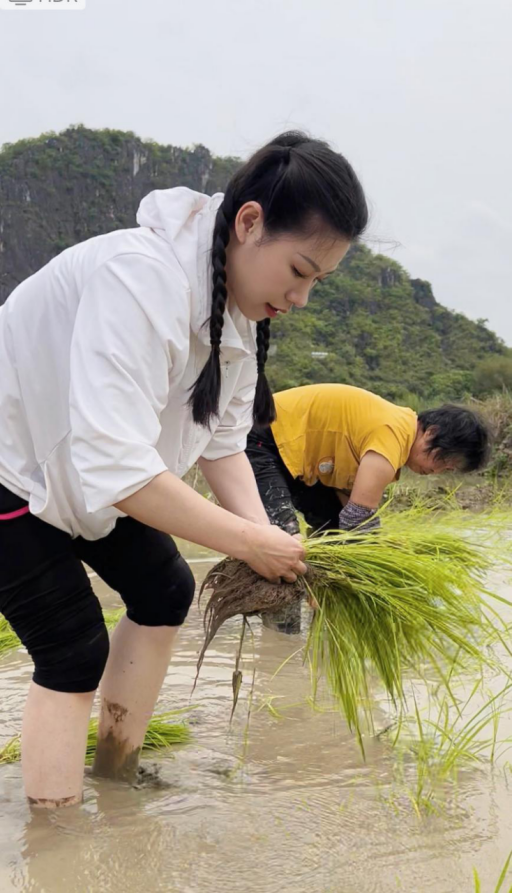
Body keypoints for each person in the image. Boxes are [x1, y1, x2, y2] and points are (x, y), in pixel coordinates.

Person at [0, 132, 368, 807]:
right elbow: (123, 471)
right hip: (13, 469)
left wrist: (276, 551)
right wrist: (249, 541)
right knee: (72, 647)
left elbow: (222, 445)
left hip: (87, 480)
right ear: (251, 222)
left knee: (166, 588)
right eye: (300, 270)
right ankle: (56, 840)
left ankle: (117, 775)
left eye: (318, 281)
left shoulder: (238, 316)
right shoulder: (140, 279)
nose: (303, 296)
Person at [246, 383, 490, 629]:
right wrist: (377, 578)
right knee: (285, 545)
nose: (437, 472)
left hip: (294, 454)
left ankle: (325, 616)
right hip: (263, 438)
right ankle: (281, 635)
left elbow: (349, 512)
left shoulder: (394, 433)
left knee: (331, 529)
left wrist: (372, 550)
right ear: (431, 433)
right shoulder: (393, 434)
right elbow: (357, 519)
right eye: (444, 461)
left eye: (448, 470)